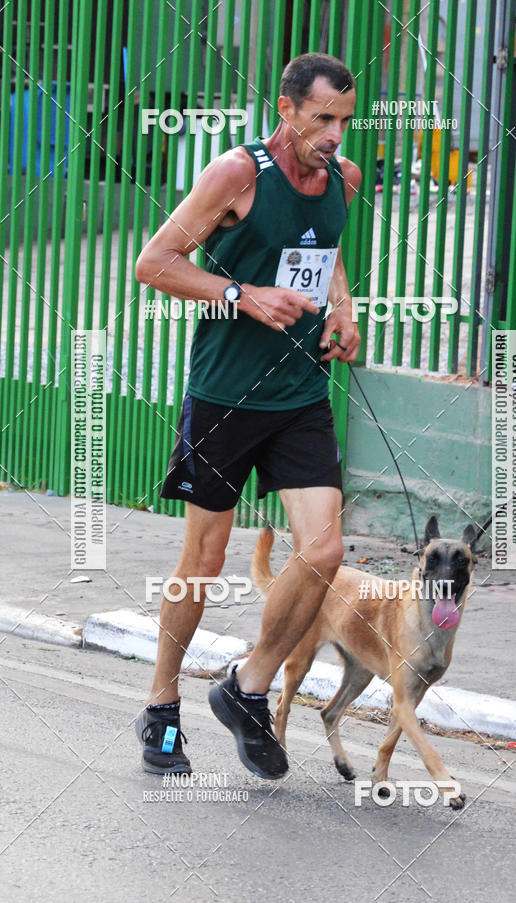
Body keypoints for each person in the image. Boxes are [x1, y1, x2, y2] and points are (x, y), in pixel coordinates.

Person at [133, 52, 362, 778]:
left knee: (324, 552)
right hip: (225, 395)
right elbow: (155, 262)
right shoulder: (237, 174)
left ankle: (247, 685)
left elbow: (325, 254)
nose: (334, 134)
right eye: (321, 119)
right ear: (286, 109)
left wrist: (344, 310)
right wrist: (242, 295)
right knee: (203, 561)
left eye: (344, 120)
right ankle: (161, 703)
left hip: (300, 395)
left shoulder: (344, 179)